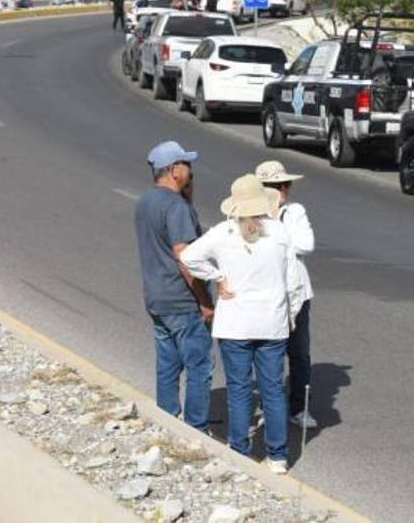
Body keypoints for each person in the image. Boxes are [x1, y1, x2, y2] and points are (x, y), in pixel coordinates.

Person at [180, 175, 303, 475]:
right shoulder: (279, 233)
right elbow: (294, 283)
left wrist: (217, 277)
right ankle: (278, 456)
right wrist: (291, 316)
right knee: (273, 389)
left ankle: (239, 450)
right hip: (272, 323)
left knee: (239, 389)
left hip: (235, 324)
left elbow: (188, 257)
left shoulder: (224, 232)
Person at [134, 141, 214, 433]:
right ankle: (195, 429)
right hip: (182, 300)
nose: (191, 171)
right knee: (199, 366)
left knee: (167, 363)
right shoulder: (176, 206)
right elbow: (184, 258)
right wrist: (204, 301)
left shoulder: (144, 202)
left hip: (156, 297)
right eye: (186, 164)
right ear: (173, 170)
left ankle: (167, 422)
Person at [255, 161, 316, 428]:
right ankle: (270, 406)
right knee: (269, 352)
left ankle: (299, 408)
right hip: (266, 292)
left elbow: (306, 244)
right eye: (274, 186)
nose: (281, 191)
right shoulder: (249, 214)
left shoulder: (294, 212)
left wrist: (275, 231)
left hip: (297, 293)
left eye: (283, 186)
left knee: (299, 352)